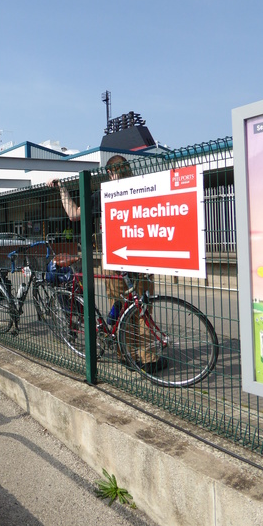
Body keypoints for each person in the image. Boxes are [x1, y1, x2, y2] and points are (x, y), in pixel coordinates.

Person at [48, 155, 163, 372]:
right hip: (144, 257)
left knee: (121, 308)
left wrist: (62, 188)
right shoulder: (143, 188)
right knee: (142, 309)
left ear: (109, 173)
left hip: (115, 258)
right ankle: (148, 359)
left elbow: (73, 215)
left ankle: (126, 355)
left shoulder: (105, 193)